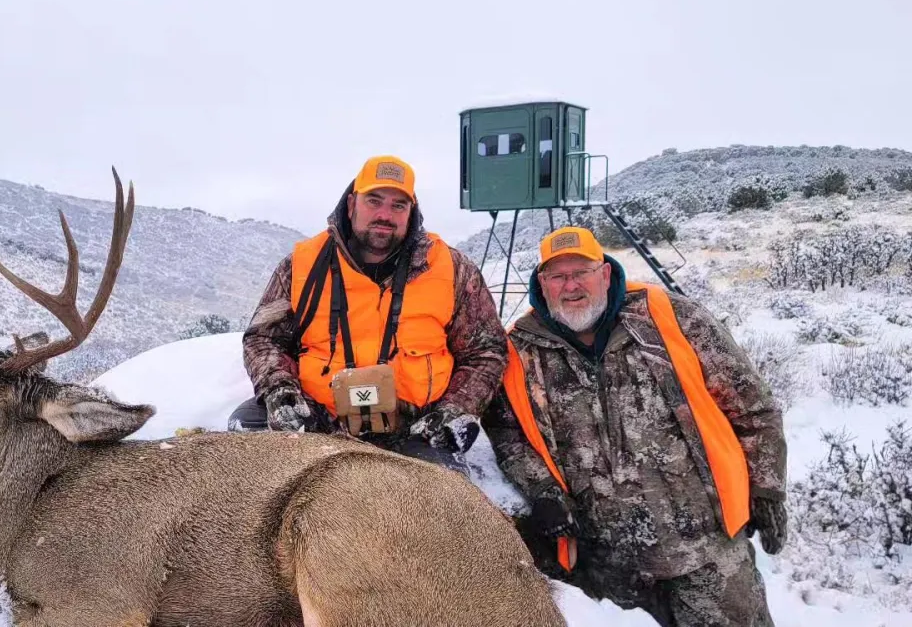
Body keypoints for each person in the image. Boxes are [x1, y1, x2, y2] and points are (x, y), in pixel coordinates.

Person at [481, 226, 788, 626]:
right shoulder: (519, 350)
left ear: (605, 273)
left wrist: (766, 488)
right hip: (605, 565)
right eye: (557, 276)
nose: (571, 286)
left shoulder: (671, 318)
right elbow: (507, 436)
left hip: (705, 550)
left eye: (582, 272)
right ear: (542, 283)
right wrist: (542, 490)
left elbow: (752, 405)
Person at [229, 154, 509, 474]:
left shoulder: (452, 268)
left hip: (416, 429)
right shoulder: (300, 266)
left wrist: (456, 409)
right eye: (373, 200)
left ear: (411, 212)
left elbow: (487, 351)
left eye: (398, 206)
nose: (384, 215)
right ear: (352, 205)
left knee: (435, 503)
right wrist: (281, 390)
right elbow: (263, 339)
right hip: (318, 420)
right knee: (246, 427)